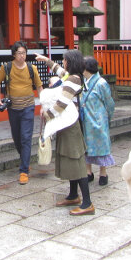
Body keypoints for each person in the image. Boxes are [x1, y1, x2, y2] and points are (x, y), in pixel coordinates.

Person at [35, 49, 94, 215]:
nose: (64, 63)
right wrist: (45, 60)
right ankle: (73, 195)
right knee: (69, 159)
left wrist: (47, 114)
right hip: (66, 124)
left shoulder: (74, 79)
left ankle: (87, 203)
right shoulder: (71, 76)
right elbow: (58, 70)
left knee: (76, 161)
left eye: (65, 60)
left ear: (71, 61)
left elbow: (61, 103)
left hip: (71, 125)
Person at [0, 41, 43, 185]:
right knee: (16, 137)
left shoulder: (31, 68)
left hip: (28, 106)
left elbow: (39, 87)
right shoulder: (7, 67)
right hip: (13, 107)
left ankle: (24, 171)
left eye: (24, 53)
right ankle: (25, 160)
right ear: (14, 54)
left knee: (25, 137)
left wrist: (44, 104)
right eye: (19, 53)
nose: (22, 56)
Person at [81, 56, 115, 186]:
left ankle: (103, 172)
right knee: (87, 145)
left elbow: (109, 102)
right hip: (87, 119)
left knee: (101, 146)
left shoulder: (101, 83)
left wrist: (108, 117)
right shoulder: (84, 82)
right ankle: (88, 171)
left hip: (98, 119)